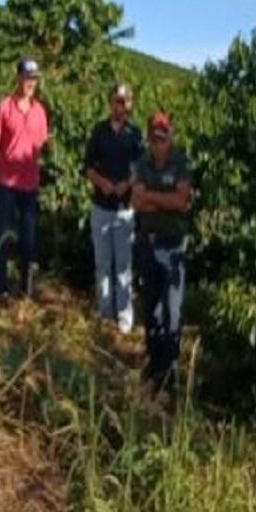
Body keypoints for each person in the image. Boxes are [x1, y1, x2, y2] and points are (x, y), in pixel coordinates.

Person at [131, 111, 194, 398]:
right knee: (151, 311)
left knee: (173, 312)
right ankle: (155, 368)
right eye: (155, 139)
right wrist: (163, 200)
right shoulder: (142, 164)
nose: (159, 144)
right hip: (147, 243)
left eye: (163, 138)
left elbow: (181, 201)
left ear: (170, 137)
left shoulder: (181, 163)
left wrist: (152, 197)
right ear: (149, 139)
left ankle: (170, 373)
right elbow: (137, 203)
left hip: (172, 246)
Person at [83, 83, 144, 333]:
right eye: (117, 101)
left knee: (123, 267)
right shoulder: (99, 131)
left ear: (130, 104)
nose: (121, 106)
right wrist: (102, 183)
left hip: (124, 210)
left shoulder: (135, 134)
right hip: (100, 207)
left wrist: (125, 184)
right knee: (102, 264)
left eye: (125, 101)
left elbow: (140, 169)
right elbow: (88, 167)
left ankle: (124, 316)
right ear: (110, 102)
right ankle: (105, 312)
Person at [0, 57, 48, 301]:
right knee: (4, 237)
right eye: (26, 78)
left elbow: (39, 146)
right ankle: (0, 289)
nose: (30, 83)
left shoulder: (40, 111)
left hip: (29, 185)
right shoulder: (4, 107)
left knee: (28, 240)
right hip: (7, 184)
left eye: (33, 79)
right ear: (18, 79)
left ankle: (26, 290)